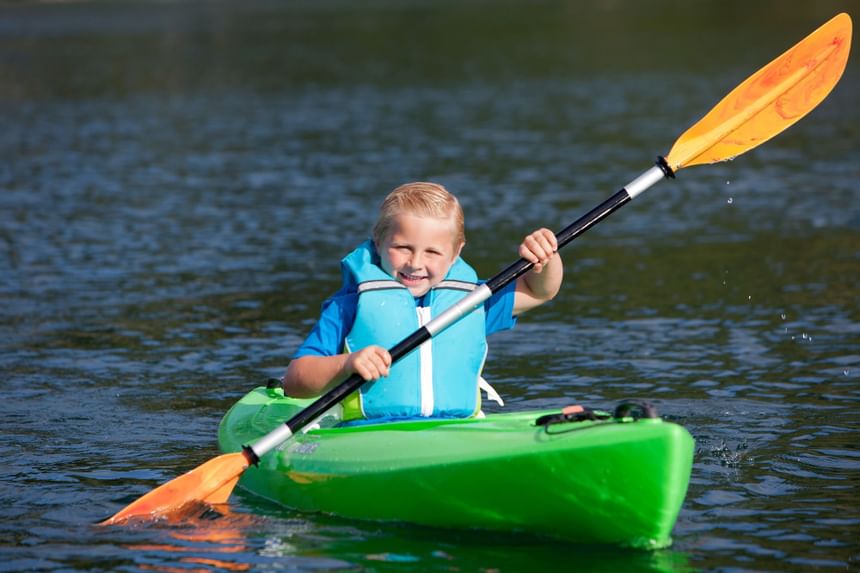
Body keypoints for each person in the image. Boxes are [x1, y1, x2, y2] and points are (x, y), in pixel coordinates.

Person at [284, 181, 563, 421]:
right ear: (379, 240)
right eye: (403, 247)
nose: (415, 263)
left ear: (455, 253)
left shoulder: (471, 302)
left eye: (432, 252)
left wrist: (546, 259)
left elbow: (540, 291)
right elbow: (295, 381)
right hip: (371, 434)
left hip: (457, 431)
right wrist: (346, 363)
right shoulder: (349, 306)